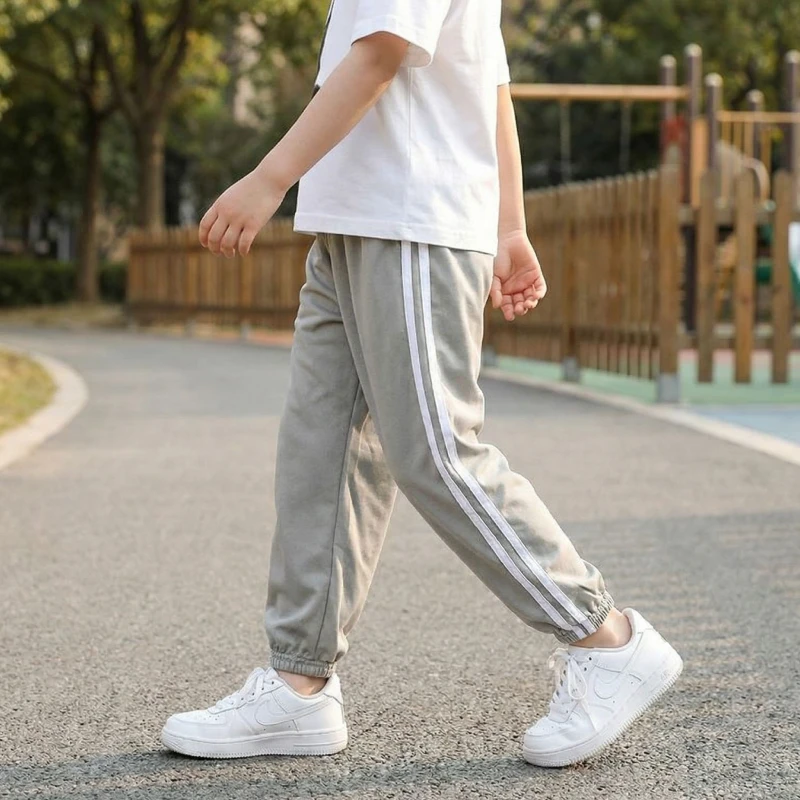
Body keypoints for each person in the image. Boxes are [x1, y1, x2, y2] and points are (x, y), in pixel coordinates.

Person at [160, 0, 682, 768]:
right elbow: (488, 78)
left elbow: (382, 52)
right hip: (352, 224)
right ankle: (298, 684)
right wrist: (510, 225)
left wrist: (268, 179)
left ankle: (606, 641)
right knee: (322, 454)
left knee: (436, 452)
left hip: (410, 223)